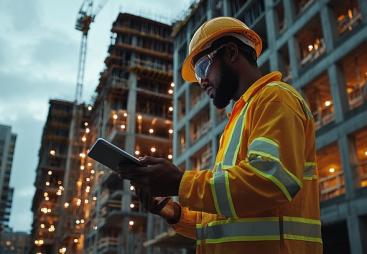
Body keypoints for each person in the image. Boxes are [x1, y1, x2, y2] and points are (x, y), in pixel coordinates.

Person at [120, 17, 322, 254]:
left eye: (203, 67)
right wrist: (170, 210)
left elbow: (271, 179)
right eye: (197, 75)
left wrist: (180, 182)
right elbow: (224, 220)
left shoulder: (275, 98)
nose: (202, 81)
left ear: (231, 52)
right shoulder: (238, 119)